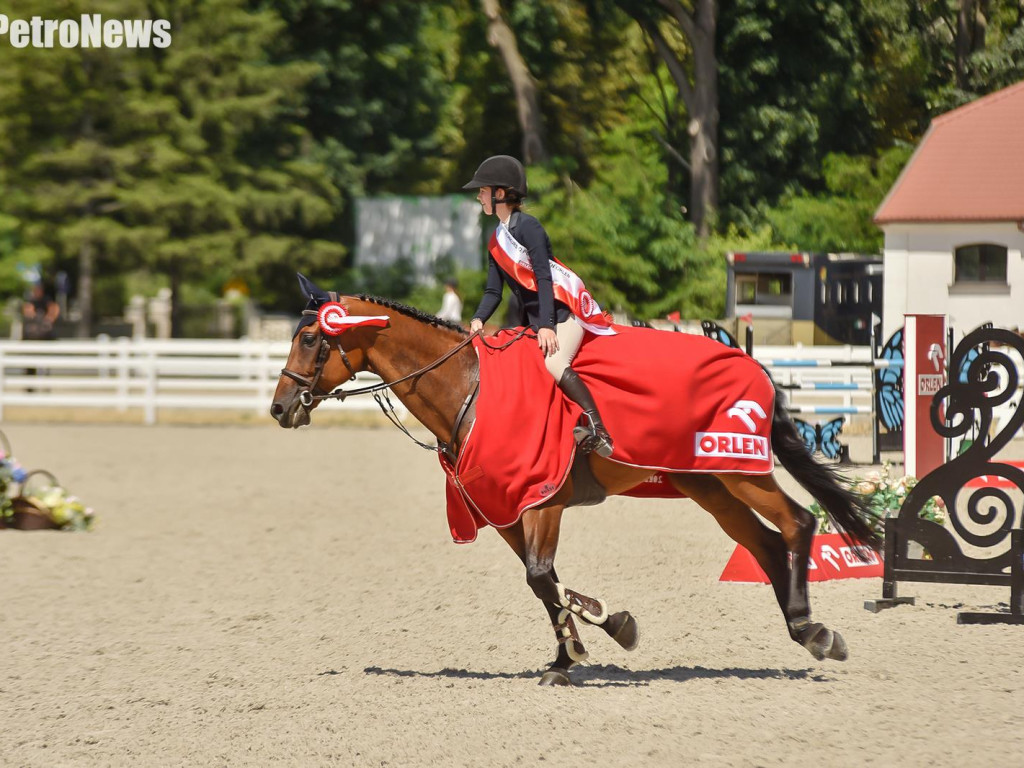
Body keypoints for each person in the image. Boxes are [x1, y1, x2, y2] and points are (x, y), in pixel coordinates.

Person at [463, 155, 615, 457]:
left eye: (483, 190)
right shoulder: (496, 240)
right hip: (533, 321)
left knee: (554, 363)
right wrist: (479, 318)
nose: (478, 195)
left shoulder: (529, 227)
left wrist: (547, 325)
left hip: (563, 313)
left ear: (501, 194)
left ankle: (600, 431)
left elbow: (544, 278)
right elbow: (494, 291)